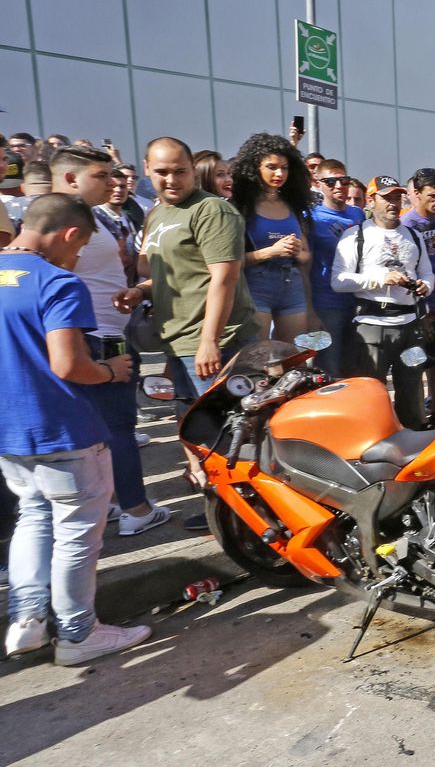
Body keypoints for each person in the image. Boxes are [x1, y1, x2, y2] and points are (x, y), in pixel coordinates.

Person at [1, 194, 151, 664]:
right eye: (81, 245)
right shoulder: (59, 282)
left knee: (33, 516)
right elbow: (69, 365)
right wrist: (112, 372)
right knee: (77, 532)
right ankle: (78, 633)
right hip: (63, 428)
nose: (79, 255)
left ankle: (27, 618)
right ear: (69, 235)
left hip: (9, 431)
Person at [131, 137, 258, 526]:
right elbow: (167, 274)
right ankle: (227, 512)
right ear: (147, 169)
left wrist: (208, 341)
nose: (171, 179)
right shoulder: (158, 214)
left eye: (180, 171)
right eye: (162, 171)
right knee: (202, 432)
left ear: (192, 168)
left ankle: (246, 517)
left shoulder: (212, 210)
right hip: (178, 338)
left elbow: (224, 278)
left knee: (230, 435)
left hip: (214, 340)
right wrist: (137, 290)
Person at [49, 146, 171, 536]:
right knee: (117, 429)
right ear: (71, 179)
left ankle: (117, 502)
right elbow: (53, 278)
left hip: (107, 333)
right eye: (101, 176)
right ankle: (136, 508)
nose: (112, 183)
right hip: (93, 339)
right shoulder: (60, 220)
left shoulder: (93, 217)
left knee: (108, 430)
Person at [331, 180, 434, 429]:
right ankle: (373, 442)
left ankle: (413, 441)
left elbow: (428, 274)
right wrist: (379, 279)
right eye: (387, 198)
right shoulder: (356, 235)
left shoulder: (413, 235)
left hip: (410, 325)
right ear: (371, 200)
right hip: (371, 325)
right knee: (371, 392)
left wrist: (425, 286)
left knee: (411, 390)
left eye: (398, 198)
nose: (393, 203)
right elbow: (338, 280)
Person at [230, 134, 317, 342]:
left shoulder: (294, 204)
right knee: (258, 359)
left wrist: (299, 253)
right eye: (271, 167)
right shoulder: (239, 207)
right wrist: (271, 251)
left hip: (292, 283)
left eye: (285, 168)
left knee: (293, 357)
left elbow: (305, 256)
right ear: (255, 168)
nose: (279, 173)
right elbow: (229, 261)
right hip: (255, 286)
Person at [303, 159, 365, 375]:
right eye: (331, 181)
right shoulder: (311, 218)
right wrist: (310, 311)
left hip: (358, 301)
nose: (339, 186)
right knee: (329, 369)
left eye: (343, 180)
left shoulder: (358, 214)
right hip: (326, 305)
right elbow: (304, 265)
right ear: (318, 184)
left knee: (356, 367)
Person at [401, 168, 435, 413]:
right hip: (420, 307)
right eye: (432, 196)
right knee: (419, 362)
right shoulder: (407, 224)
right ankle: (418, 414)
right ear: (417, 194)